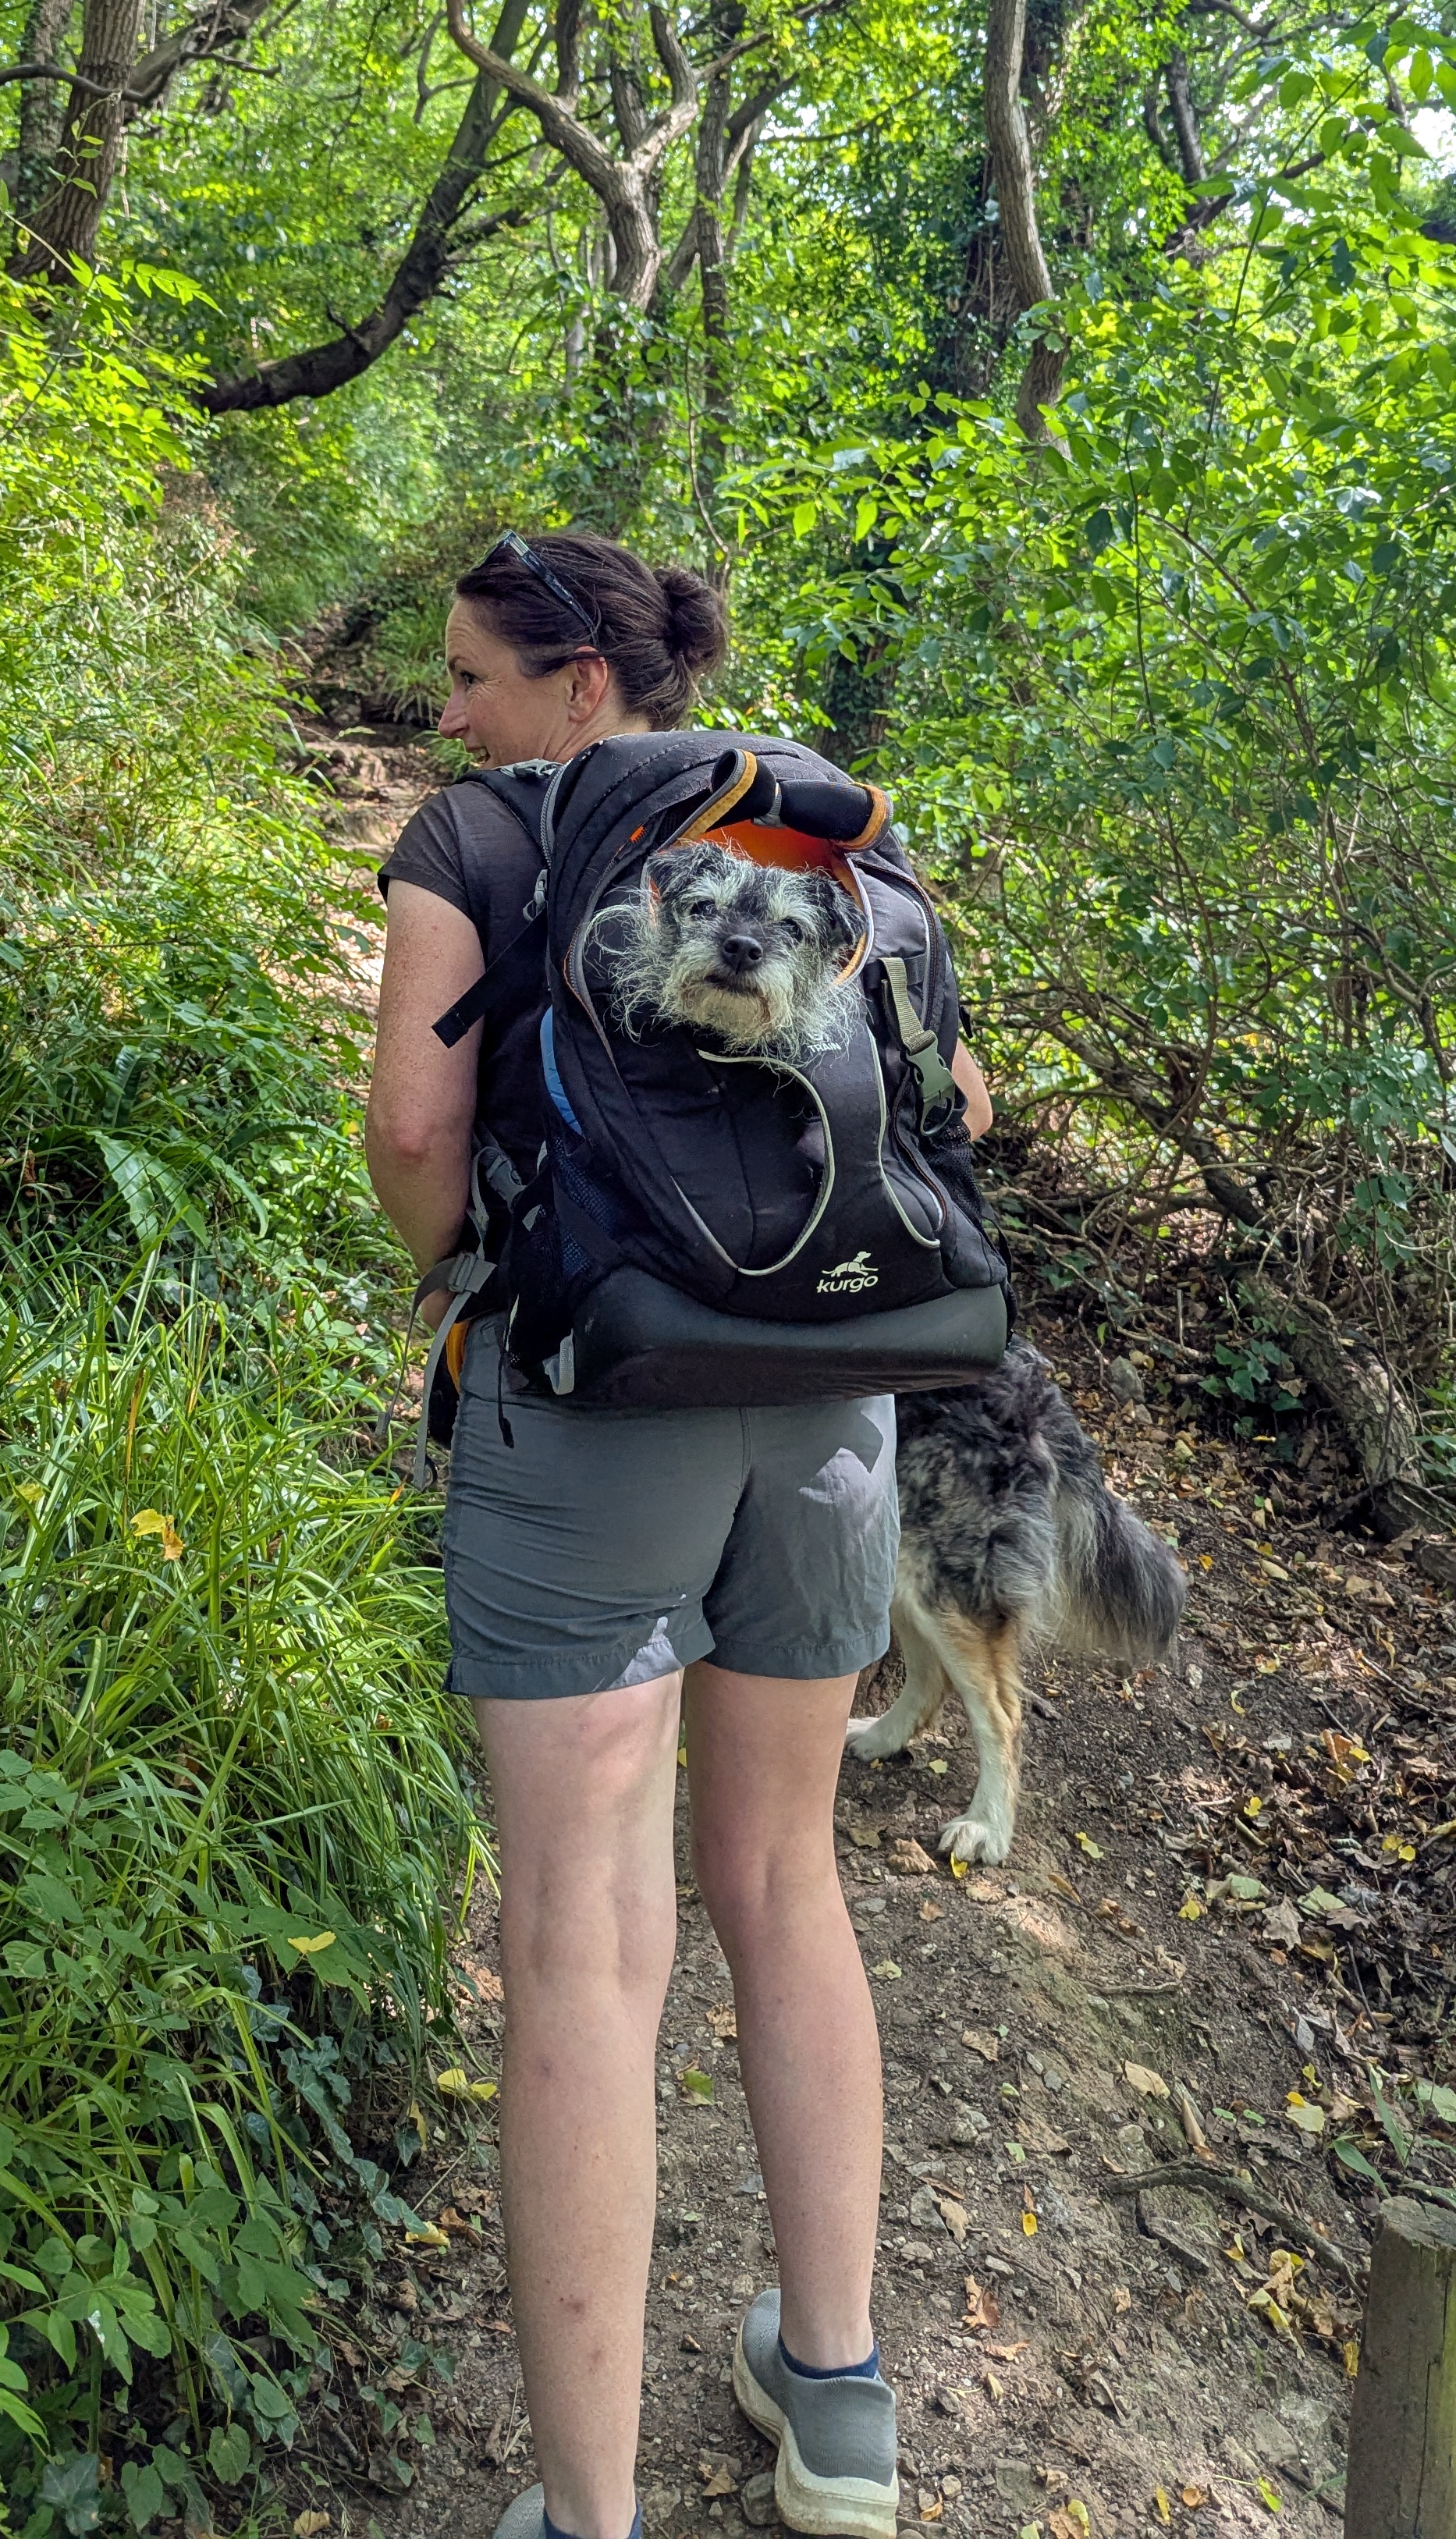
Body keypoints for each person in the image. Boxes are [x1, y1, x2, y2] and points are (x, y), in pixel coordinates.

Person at [364, 530, 992, 2539]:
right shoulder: (821, 823)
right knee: (785, 1878)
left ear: (573, 687)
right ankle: (838, 2407)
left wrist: (479, 1287)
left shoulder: (482, 833)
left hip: (600, 1394)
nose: (445, 709)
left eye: (470, 673)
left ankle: (589, 2515)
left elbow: (408, 1137)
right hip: (829, 1400)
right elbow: (952, 1093)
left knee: (581, 1944)